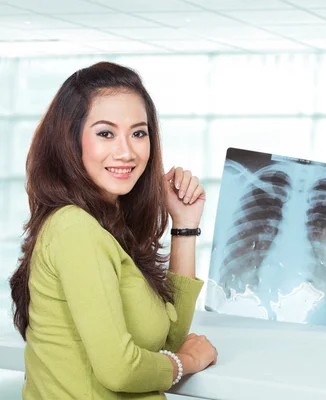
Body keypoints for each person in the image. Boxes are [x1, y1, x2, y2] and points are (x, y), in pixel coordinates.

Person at [9, 61, 217, 399]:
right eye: (105, 133)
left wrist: (185, 225)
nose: (126, 151)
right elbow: (121, 371)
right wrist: (187, 361)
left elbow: (166, 340)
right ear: (69, 140)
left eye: (138, 133)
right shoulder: (74, 228)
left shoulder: (108, 226)